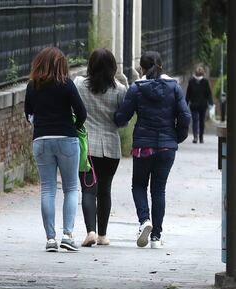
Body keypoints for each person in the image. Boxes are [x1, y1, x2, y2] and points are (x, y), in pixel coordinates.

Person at [114, 51, 191, 249]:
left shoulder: (137, 88)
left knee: (138, 185)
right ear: (162, 66)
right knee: (159, 189)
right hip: (167, 147)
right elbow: (185, 117)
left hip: (143, 146)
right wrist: (176, 137)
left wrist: (115, 119)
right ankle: (156, 237)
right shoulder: (174, 87)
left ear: (141, 68)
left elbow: (123, 116)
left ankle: (144, 221)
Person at [25, 47, 87, 252]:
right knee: (70, 188)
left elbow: (28, 114)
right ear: (61, 64)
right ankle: (67, 235)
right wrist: (75, 126)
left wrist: (40, 124)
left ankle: (50, 239)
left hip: (41, 139)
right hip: (67, 138)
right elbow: (81, 112)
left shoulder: (33, 86)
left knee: (48, 189)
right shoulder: (67, 85)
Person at [73, 48, 126, 247]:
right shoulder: (120, 90)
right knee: (105, 190)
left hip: (87, 147)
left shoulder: (79, 84)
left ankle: (90, 232)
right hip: (111, 148)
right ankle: (103, 235)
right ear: (113, 67)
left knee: (88, 190)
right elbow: (122, 121)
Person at [185, 66, 213, 143]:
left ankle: (200, 137)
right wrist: (185, 103)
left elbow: (208, 94)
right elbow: (188, 94)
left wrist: (211, 103)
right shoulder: (191, 81)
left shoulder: (205, 82)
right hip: (196, 105)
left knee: (200, 121)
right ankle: (196, 137)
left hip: (200, 105)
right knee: (195, 121)